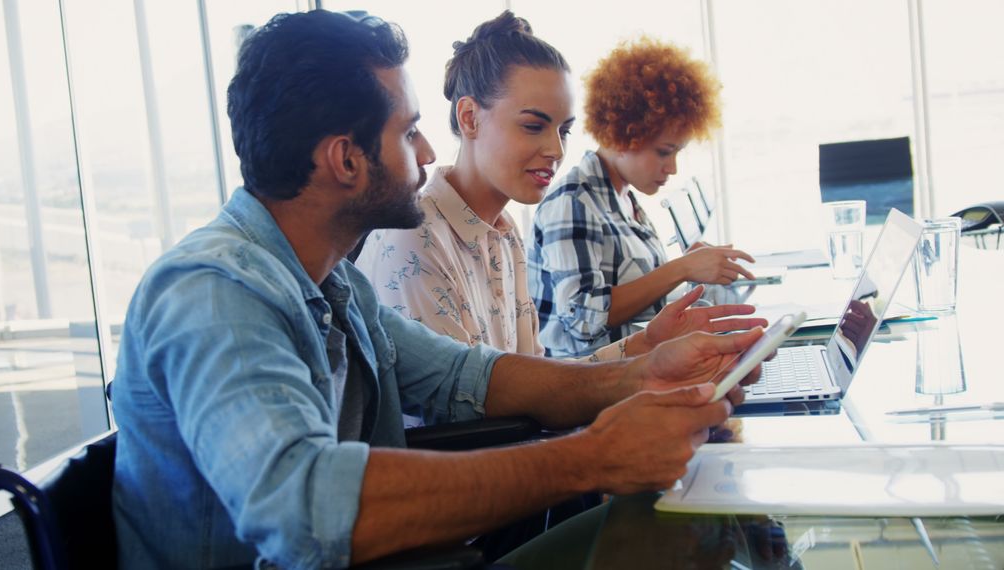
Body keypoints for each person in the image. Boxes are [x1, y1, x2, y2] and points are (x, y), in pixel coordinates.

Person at [109, 11, 764, 569]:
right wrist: (592, 458)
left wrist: (641, 375)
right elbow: (300, 510)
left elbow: (469, 376)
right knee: (677, 532)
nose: (427, 153)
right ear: (346, 158)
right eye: (408, 131)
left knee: (685, 524)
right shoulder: (216, 292)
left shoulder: (332, 284)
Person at [355, 13, 765, 364]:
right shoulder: (414, 239)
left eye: (564, 130)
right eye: (533, 125)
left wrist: (650, 341)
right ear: (470, 118)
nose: (555, 149)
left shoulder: (503, 231)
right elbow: (465, 417)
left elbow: (536, 378)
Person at [529, 37, 757, 359]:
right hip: (590, 393)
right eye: (664, 152)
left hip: (636, 373)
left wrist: (687, 266)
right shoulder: (574, 202)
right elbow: (583, 320)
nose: (673, 168)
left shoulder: (624, 197)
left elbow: (638, 298)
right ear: (622, 134)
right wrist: (679, 269)